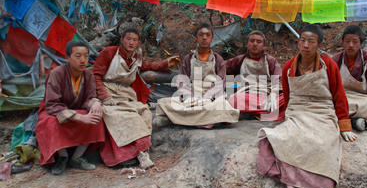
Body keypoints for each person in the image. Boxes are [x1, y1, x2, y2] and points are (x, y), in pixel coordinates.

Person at [256, 24, 357, 188]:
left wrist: (343, 124)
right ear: (298, 42)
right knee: (282, 140)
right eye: (302, 40)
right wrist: (288, 120)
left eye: (311, 41)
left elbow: (339, 95)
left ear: (319, 45)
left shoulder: (328, 64)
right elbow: (290, 99)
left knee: (326, 144)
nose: (306, 45)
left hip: (322, 113)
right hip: (299, 112)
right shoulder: (289, 67)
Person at [92, 27, 180, 168]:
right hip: (109, 93)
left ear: (138, 42)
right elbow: (95, 75)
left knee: (144, 112)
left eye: (134, 40)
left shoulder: (135, 56)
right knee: (127, 116)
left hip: (127, 94)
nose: (131, 42)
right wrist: (104, 95)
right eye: (128, 38)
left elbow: (147, 66)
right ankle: (139, 155)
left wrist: (166, 63)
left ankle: (142, 150)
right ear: (122, 39)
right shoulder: (109, 53)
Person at [36, 41, 105, 175]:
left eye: (86, 56)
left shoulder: (88, 75)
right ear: (67, 58)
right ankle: (63, 156)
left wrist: (95, 103)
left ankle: (77, 157)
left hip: (77, 109)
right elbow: (52, 104)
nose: (83, 60)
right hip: (54, 110)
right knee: (51, 123)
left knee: (96, 117)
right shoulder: (57, 73)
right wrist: (78, 117)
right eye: (78, 56)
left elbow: (89, 98)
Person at [155, 22, 239, 128]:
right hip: (192, 97)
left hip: (211, 99)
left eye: (208, 35)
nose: (204, 38)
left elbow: (220, 81)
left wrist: (208, 97)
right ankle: (207, 120)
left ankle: (176, 119)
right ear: (196, 37)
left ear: (212, 38)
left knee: (222, 105)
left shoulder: (218, 59)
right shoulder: (188, 58)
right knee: (164, 102)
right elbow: (182, 80)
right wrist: (188, 97)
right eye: (201, 35)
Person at [225, 30, 285, 121]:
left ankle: (252, 113)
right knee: (235, 99)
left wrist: (273, 95)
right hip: (247, 96)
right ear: (246, 43)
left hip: (266, 97)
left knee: (287, 98)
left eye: (259, 42)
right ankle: (261, 114)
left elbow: (279, 79)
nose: (255, 44)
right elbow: (221, 67)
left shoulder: (270, 61)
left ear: (264, 45)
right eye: (252, 41)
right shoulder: (240, 60)